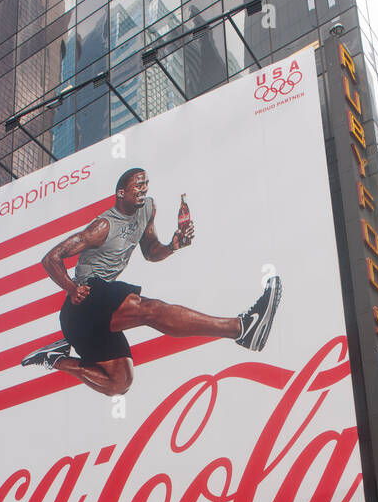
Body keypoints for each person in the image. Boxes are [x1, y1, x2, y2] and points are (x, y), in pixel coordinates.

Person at [22, 167, 282, 398]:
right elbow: (51, 258)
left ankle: (54, 359)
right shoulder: (103, 226)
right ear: (121, 193)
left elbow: (150, 251)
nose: (144, 189)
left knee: (120, 383)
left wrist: (172, 246)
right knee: (149, 309)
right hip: (84, 299)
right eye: (138, 185)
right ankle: (240, 328)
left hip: (91, 317)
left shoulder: (147, 209)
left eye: (145, 184)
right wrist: (71, 288)